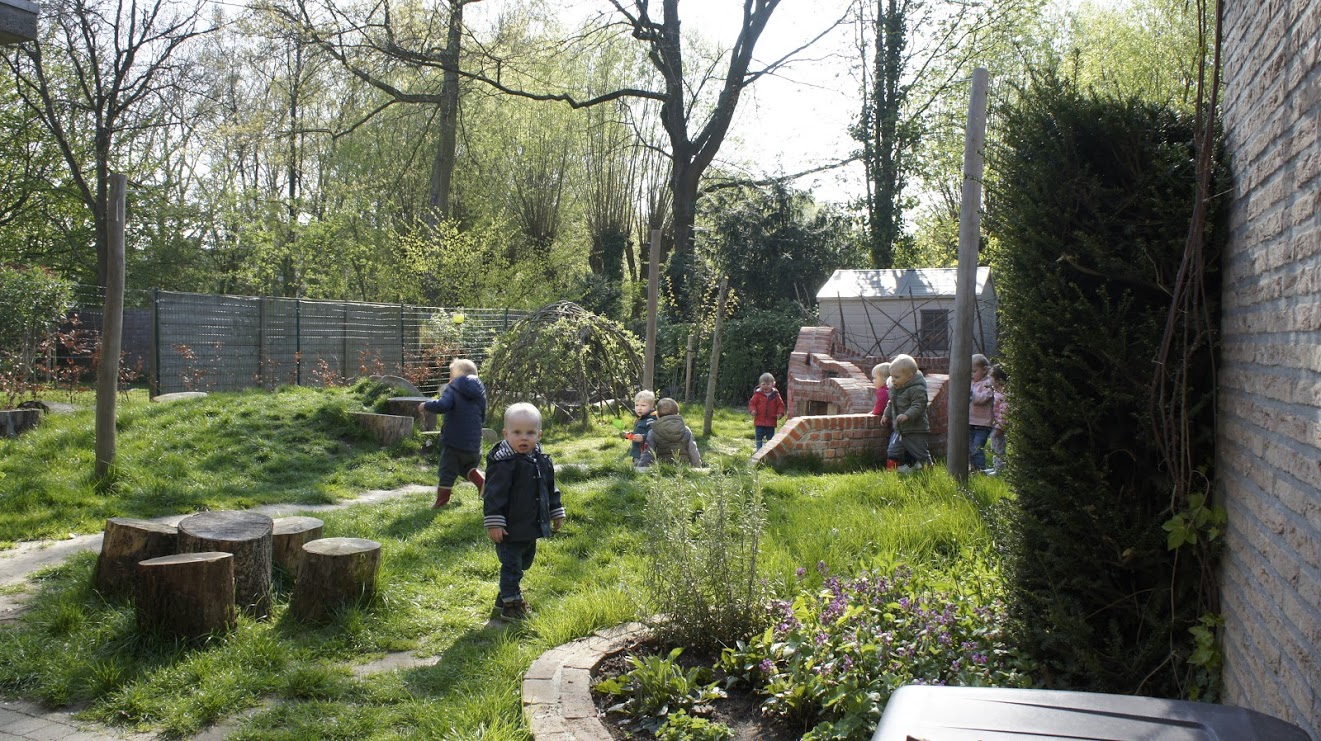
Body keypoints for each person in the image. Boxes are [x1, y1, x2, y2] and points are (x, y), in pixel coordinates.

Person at [482, 402, 564, 620]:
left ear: (539, 434)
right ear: (506, 433)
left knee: (524, 562)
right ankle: (512, 606)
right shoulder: (504, 463)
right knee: (512, 566)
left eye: (530, 432)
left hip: (530, 525)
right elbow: (493, 494)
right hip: (509, 528)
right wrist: (495, 522)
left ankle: (503, 599)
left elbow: (549, 487)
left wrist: (555, 510)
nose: (524, 438)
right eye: (517, 433)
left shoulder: (540, 460)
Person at [417, 358, 487, 508]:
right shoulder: (479, 391)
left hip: (454, 442)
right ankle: (482, 483)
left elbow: (443, 405)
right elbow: (483, 415)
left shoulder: (453, 388)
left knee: (447, 470)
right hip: (474, 444)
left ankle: (441, 502)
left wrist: (426, 405)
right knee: (466, 467)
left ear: (455, 377)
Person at [880, 354, 931, 471]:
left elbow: (919, 405)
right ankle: (891, 472)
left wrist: (907, 415)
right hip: (899, 429)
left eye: (896, 377)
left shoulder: (917, 388)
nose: (893, 380)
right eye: (891, 376)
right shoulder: (895, 389)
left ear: (910, 377)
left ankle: (928, 470)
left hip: (916, 429)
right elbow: (891, 403)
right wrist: (886, 415)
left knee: (920, 453)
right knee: (892, 450)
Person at [638, 397, 704, 467]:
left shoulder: (653, 432)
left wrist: (640, 468)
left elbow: (648, 454)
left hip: (662, 469)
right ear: (677, 414)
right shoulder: (685, 430)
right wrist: (698, 467)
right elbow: (693, 451)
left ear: (657, 415)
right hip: (683, 469)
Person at [968, 353, 996, 472]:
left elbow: (983, 398)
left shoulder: (988, 384)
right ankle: (973, 470)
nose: (971, 375)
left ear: (984, 370)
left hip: (983, 424)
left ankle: (980, 471)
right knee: (970, 449)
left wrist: (970, 393)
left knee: (977, 448)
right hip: (970, 422)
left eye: (974, 371)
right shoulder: (972, 383)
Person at [747, 372, 786, 450]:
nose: (765, 386)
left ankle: (768, 451)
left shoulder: (775, 395)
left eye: (768, 384)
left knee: (770, 437)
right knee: (759, 435)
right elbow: (752, 403)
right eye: (763, 384)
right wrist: (752, 410)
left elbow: (780, 405)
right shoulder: (757, 394)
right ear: (760, 385)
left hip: (771, 421)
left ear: (773, 384)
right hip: (759, 420)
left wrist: (780, 413)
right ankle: (758, 450)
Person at [622, 390, 658, 462]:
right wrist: (629, 435)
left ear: (651, 406)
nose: (639, 408)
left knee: (642, 470)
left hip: (646, 453)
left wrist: (643, 437)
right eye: (637, 405)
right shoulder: (641, 419)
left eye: (643, 405)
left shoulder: (650, 419)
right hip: (638, 452)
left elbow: (654, 434)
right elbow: (638, 434)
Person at [990, 364, 1010, 474]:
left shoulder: (1003, 394)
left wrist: (1000, 426)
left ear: (998, 379)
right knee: (994, 445)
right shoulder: (997, 391)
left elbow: (1004, 412)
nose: (989, 379)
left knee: (999, 447)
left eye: (991, 376)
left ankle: (1000, 469)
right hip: (996, 424)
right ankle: (996, 467)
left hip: (1000, 426)